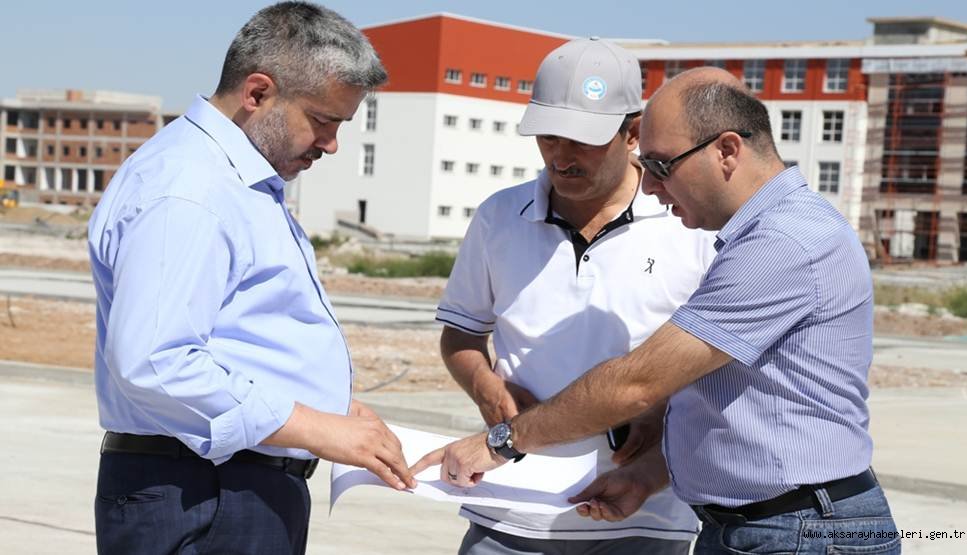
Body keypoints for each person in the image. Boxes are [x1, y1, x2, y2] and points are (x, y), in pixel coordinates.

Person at [413, 67, 901, 554]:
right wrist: (647, 474)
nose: (649, 186)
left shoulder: (782, 243)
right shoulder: (761, 235)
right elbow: (732, 399)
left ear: (727, 151)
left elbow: (637, 383)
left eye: (662, 165)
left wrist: (503, 441)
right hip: (769, 524)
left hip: (797, 529)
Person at [88, 3, 414, 553]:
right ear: (258, 93)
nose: (331, 144)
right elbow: (155, 362)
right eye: (323, 121)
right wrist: (312, 426)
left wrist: (324, 406)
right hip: (202, 492)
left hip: (223, 487)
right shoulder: (190, 188)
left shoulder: (231, 180)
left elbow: (240, 333)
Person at [434, 37, 716, 555]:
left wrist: (663, 411)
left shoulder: (689, 225)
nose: (561, 157)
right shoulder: (499, 217)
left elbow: (720, 362)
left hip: (646, 517)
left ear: (633, 133)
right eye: (548, 137)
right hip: (508, 512)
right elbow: (461, 336)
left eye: (583, 141)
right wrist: (484, 387)